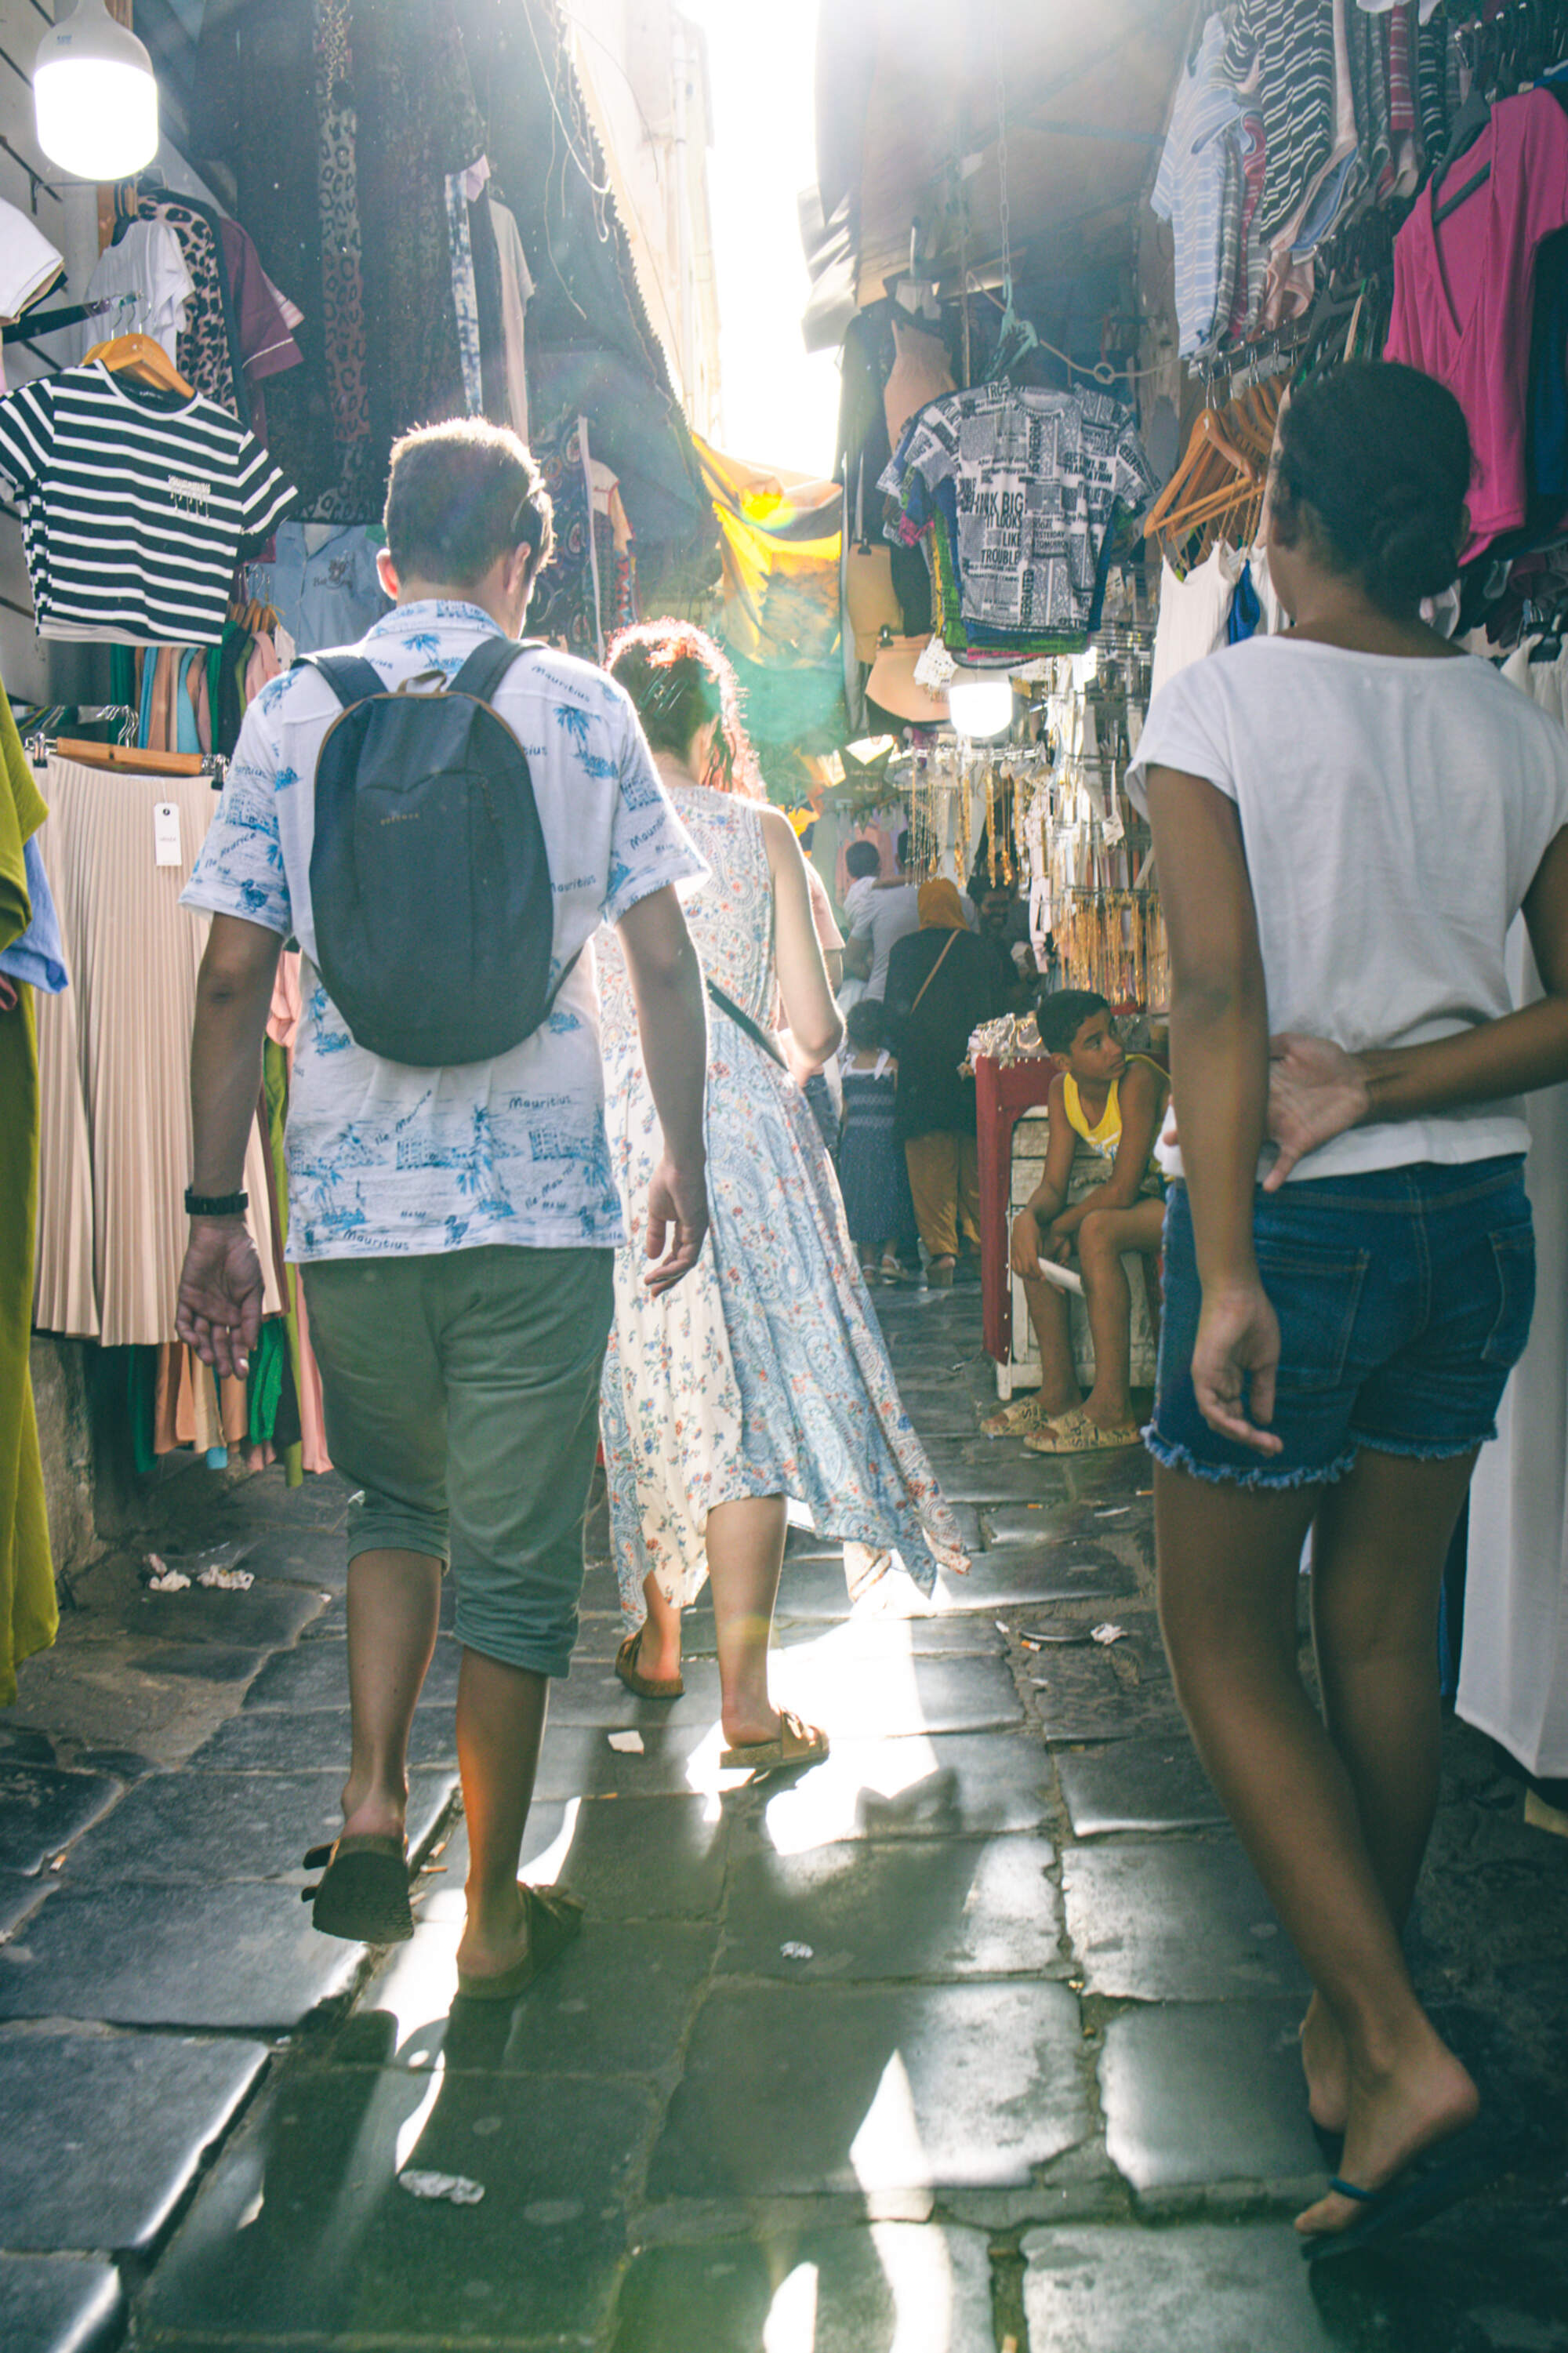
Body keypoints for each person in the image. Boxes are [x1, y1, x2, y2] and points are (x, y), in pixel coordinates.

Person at [174, 419, 710, 1999]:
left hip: (351, 1205)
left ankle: (364, 1798)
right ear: (525, 563)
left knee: (395, 1511)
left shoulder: (290, 712)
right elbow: (664, 962)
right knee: (523, 1562)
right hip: (542, 1208)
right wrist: (679, 1151)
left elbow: (226, 979)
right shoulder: (582, 706)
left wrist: (221, 1210)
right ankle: (488, 1908)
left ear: (387, 554)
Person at [1129, 361, 1568, 2253]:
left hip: (1290, 1229)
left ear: (1277, 513)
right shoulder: (1506, 723)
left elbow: (1215, 1001)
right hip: (1469, 1216)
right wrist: (1394, 1083)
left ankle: (1390, 2040)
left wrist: (1222, 1260)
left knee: (1219, 1634)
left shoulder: (1219, 694)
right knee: (1379, 1631)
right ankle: (1351, 2012)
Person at [597, 621, 967, 1743]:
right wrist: (770, 1078)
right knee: (745, 1401)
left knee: (652, 1383)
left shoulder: (590, 828)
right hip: (744, 1128)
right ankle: (746, 1700)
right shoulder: (760, 831)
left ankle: (656, 1640)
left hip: (617, 1131)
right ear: (713, 722)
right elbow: (815, 1025)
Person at [986, 989, 1167, 1449]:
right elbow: (1053, 1186)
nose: (1115, 1048)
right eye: (1095, 1042)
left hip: (1198, 1201)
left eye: (1113, 1033)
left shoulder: (1137, 1080)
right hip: (1154, 1201)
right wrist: (1030, 1219)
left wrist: (1060, 1223)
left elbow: (1123, 1189)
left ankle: (1113, 1411)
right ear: (1064, 1062)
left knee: (1095, 1229)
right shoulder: (1061, 1091)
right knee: (1034, 1235)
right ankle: (1058, 1392)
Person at [885, 877, 1001, 1284]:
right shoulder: (980, 949)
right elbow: (1000, 1009)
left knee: (928, 1159)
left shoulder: (904, 951)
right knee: (974, 1153)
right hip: (971, 1068)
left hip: (921, 1073)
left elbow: (894, 1013)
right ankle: (977, 1240)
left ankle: (941, 1251)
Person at [837, 997, 917, 1285]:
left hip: (856, 1142)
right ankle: (890, 1257)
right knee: (892, 1194)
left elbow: (843, 1111)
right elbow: (900, 1102)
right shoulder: (892, 1065)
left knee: (862, 1199)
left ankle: (868, 1265)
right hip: (887, 1140)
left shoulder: (845, 1069)